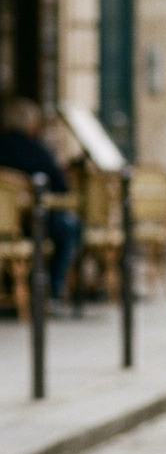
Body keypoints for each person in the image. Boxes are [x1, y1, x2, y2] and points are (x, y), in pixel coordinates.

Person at [0, 97, 81, 303]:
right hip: (32, 223)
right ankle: (53, 288)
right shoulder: (36, 150)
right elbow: (61, 187)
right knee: (70, 227)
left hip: (8, 225)